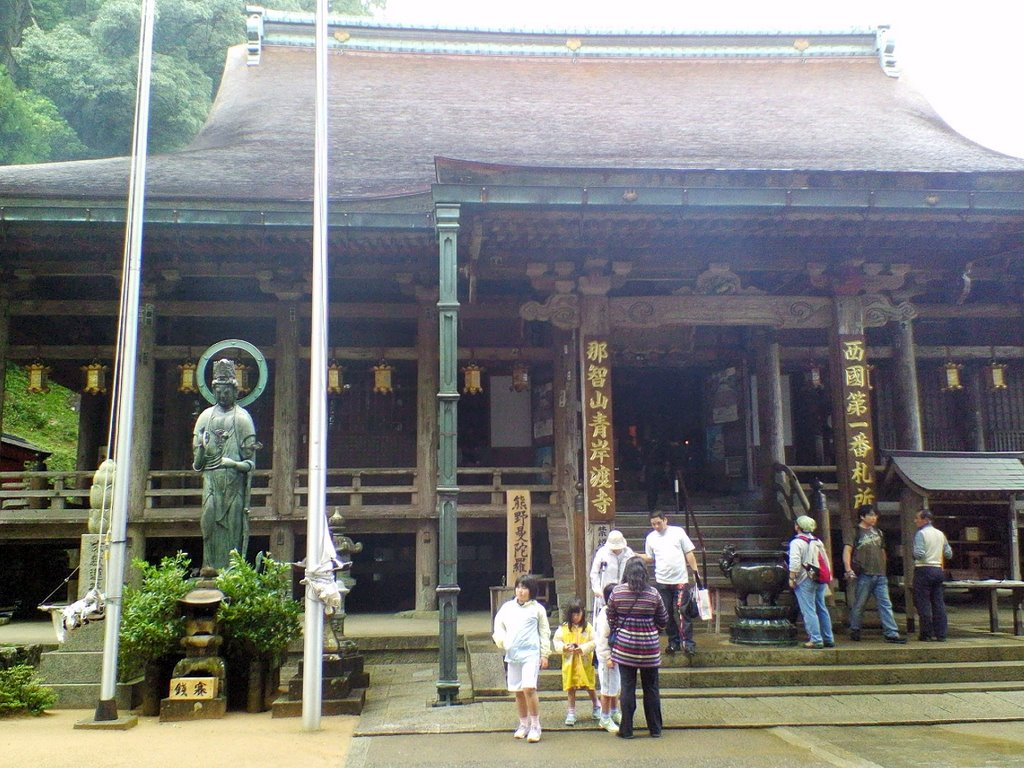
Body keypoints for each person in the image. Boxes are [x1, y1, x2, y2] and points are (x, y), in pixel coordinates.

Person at [192, 358, 258, 572]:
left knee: (232, 530)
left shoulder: (242, 418)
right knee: (208, 524)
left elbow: (250, 463)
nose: (222, 395)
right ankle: (208, 565)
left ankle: (232, 569)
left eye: (226, 391)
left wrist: (234, 464)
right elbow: (197, 464)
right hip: (211, 481)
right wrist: (201, 447)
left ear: (235, 391)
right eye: (218, 391)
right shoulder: (204, 418)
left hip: (233, 485)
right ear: (213, 390)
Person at [606, 556, 668, 739]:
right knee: (651, 688)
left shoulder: (617, 592)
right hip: (649, 648)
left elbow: (611, 617)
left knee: (627, 688)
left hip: (625, 648)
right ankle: (655, 728)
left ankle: (626, 729)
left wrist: (621, 629)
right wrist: (651, 629)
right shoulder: (653, 594)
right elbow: (663, 619)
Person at [492, 573, 551, 743]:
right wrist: (502, 641)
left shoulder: (537, 609)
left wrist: (545, 654)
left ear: (531, 590)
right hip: (513, 653)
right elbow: (499, 626)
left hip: (531, 654)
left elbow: (544, 632)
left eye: (524, 588)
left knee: (529, 689)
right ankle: (523, 723)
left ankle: (535, 725)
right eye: (518, 587)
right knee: (518, 691)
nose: (520, 591)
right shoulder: (508, 608)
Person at [843, 504, 907, 643]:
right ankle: (855, 628)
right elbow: (847, 550)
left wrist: (884, 569)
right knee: (859, 604)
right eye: (870, 515)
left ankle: (891, 633)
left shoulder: (879, 532)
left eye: (875, 515)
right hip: (863, 574)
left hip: (880, 575)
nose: (874, 518)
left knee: (885, 604)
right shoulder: (855, 531)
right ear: (862, 516)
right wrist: (848, 569)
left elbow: (883, 551)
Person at [642, 511, 700, 655]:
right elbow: (650, 558)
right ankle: (673, 642)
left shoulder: (678, 532)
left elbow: (689, 553)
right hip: (662, 581)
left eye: (658, 523)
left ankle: (688, 643)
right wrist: (635, 555)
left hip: (680, 580)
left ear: (665, 520)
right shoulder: (651, 538)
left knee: (682, 611)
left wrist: (695, 572)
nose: (656, 526)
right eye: (653, 524)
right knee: (666, 613)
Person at [788, 515, 835, 649]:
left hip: (805, 579)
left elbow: (795, 562)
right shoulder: (817, 540)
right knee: (822, 608)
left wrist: (792, 578)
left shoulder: (797, 542)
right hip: (820, 578)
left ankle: (815, 639)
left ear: (798, 527)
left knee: (809, 610)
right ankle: (828, 637)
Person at [551, 597, 599, 726]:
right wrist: (564, 647)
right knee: (570, 688)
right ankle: (571, 712)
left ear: (582, 613)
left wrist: (583, 648)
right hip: (569, 663)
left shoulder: (588, 628)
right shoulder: (564, 628)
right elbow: (556, 641)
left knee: (590, 686)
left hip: (585, 662)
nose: (576, 617)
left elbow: (595, 641)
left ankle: (596, 706)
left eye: (578, 614)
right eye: (573, 614)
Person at [913, 509, 953, 642]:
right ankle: (941, 634)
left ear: (925, 520)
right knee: (938, 603)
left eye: (917, 518)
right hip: (938, 570)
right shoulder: (940, 534)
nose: (915, 521)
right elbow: (948, 554)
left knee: (923, 603)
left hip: (923, 569)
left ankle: (926, 634)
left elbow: (918, 553)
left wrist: (915, 555)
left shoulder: (921, 534)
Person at [589, 529, 635, 624]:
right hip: (607, 591)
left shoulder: (629, 553)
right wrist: (597, 589)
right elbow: (594, 573)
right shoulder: (602, 553)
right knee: (607, 618)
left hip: (624, 590)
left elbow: (634, 571)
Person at [593, 583, 621, 733]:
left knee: (615, 686)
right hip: (608, 657)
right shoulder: (605, 614)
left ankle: (614, 711)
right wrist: (607, 657)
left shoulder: (617, 611)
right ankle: (604, 717)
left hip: (617, 655)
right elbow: (602, 639)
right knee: (607, 688)